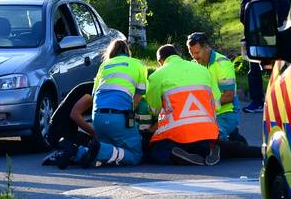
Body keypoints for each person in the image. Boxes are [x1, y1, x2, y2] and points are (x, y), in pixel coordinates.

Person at [53, 39, 147, 169]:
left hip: (98, 118)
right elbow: (139, 95)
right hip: (119, 117)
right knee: (136, 155)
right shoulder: (137, 64)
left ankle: (75, 151)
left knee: (105, 153)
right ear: (127, 51)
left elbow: (94, 94)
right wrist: (131, 119)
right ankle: (92, 150)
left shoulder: (104, 66)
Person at [145, 44, 221, 166]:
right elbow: (217, 104)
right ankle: (210, 150)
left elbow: (154, 109)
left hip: (177, 134)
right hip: (208, 132)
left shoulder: (157, 76)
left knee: (156, 152)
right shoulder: (203, 70)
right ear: (178, 55)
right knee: (200, 146)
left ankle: (176, 156)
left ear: (161, 61)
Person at [240, 0, 291, 113]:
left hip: (273, 29)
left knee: (274, 66)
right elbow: (244, 4)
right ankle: (257, 101)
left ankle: (275, 101)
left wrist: (279, 20)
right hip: (255, 29)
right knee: (253, 65)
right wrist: (247, 23)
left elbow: (286, 3)